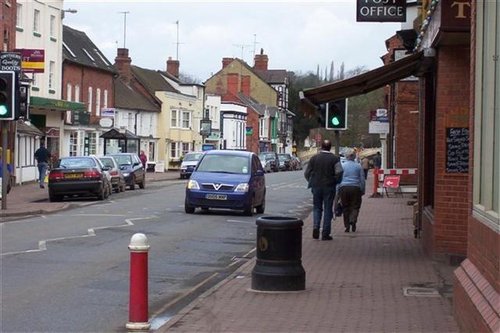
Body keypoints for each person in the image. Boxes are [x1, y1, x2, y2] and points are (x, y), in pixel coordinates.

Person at [304, 140, 343, 240]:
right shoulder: (334, 159)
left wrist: (311, 181)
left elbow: (307, 173)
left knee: (317, 208)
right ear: (330, 147)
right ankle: (325, 233)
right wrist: (336, 181)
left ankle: (316, 227)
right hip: (329, 186)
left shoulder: (314, 158)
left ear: (321, 147)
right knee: (327, 209)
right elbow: (339, 172)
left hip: (316, 186)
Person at [338, 148, 366, 233]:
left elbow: (339, 178)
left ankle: (347, 226)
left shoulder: (342, 166)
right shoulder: (358, 166)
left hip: (344, 188)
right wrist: (362, 190)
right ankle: (353, 220)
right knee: (355, 206)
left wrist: (338, 190)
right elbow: (362, 179)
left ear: (346, 156)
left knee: (345, 207)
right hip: (355, 188)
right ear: (354, 157)